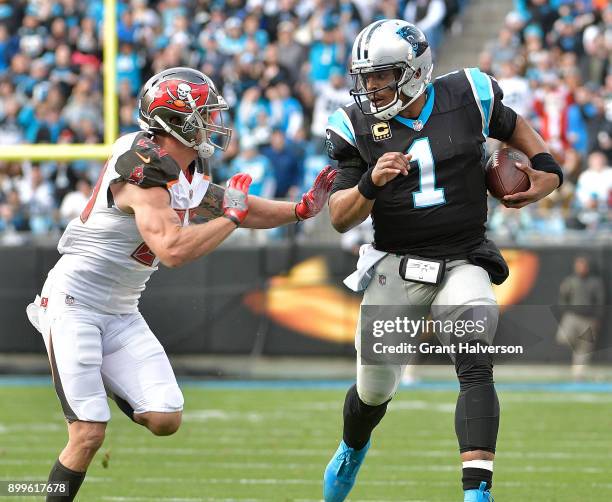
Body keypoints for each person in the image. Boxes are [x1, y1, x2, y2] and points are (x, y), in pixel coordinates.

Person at [25, 67, 336, 502]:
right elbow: (173, 249)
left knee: (165, 417)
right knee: (88, 433)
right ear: (176, 119)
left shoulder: (182, 170)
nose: (212, 123)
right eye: (204, 115)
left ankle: (109, 379)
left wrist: (301, 210)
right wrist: (231, 218)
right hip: (75, 301)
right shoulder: (143, 167)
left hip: (121, 310)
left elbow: (234, 203)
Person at [322, 20, 563, 502]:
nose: (370, 87)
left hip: (463, 258)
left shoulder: (468, 94)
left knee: (476, 359)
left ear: (413, 71)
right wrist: (370, 182)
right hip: (395, 264)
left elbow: (516, 129)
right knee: (372, 392)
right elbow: (338, 218)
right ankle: (353, 444)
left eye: (380, 75)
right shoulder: (354, 124)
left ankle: (477, 492)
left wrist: (548, 170)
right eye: (365, 77)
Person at [556, 256, 605, 380]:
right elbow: (563, 297)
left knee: (584, 349)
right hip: (572, 316)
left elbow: (600, 301)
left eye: (583, 265)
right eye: (578, 265)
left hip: (588, 319)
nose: (581, 268)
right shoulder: (570, 281)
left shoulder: (595, 282)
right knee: (564, 338)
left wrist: (597, 317)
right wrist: (565, 310)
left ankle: (578, 374)